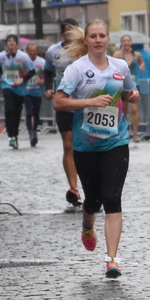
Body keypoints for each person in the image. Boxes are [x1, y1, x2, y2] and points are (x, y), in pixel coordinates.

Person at [53, 20, 138, 278]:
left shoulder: (120, 66)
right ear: (87, 40)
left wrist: (132, 96)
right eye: (93, 36)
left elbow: (130, 90)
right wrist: (90, 101)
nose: (98, 40)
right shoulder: (76, 70)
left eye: (102, 35)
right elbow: (59, 102)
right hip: (85, 145)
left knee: (112, 198)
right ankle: (87, 224)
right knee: (94, 199)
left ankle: (112, 260)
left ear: (108, 38)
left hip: (116, 141)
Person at [47, 24, 85, 210]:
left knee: (85, 146)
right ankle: (74, 188)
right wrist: (48, 87)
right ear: (62, 33)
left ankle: (91, 189)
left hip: (84, 105)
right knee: (68, 145)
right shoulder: (53, 52)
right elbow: (47, 71)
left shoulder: (84, 48)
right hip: (64, 104)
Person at [0, 35, 30, 148]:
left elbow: (32, 71)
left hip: (19, 88)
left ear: (16, 44)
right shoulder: (1, 56)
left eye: (13, 41)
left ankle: (15, 134)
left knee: (16, 112)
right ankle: (11, 136)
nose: (11, 43)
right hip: (6, 85)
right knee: (9, 109)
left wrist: (23, 79)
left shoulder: (23, 56)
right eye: (9, 41)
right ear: (6, 43)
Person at [20, 41, 46, 145]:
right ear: (27, 51)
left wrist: (42, 82)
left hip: (37, 91)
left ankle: (34, 130)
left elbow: (47, 76)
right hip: (26, 91)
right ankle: (31, 132)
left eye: (34, 51)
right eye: (30, 51)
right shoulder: (23, 62)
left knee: (36, 113)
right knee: (29, 112)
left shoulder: (42, 62)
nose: (32, 53)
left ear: (37, 51)